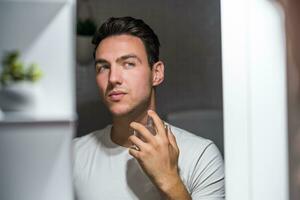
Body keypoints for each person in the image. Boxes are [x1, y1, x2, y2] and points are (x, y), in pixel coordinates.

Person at [73, 16, 225, 200]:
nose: (113, 78)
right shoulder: (73, 156)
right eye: (103, 67)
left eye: (128, 64)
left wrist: (169, 180)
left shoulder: (201, 156)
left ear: (157, 73)